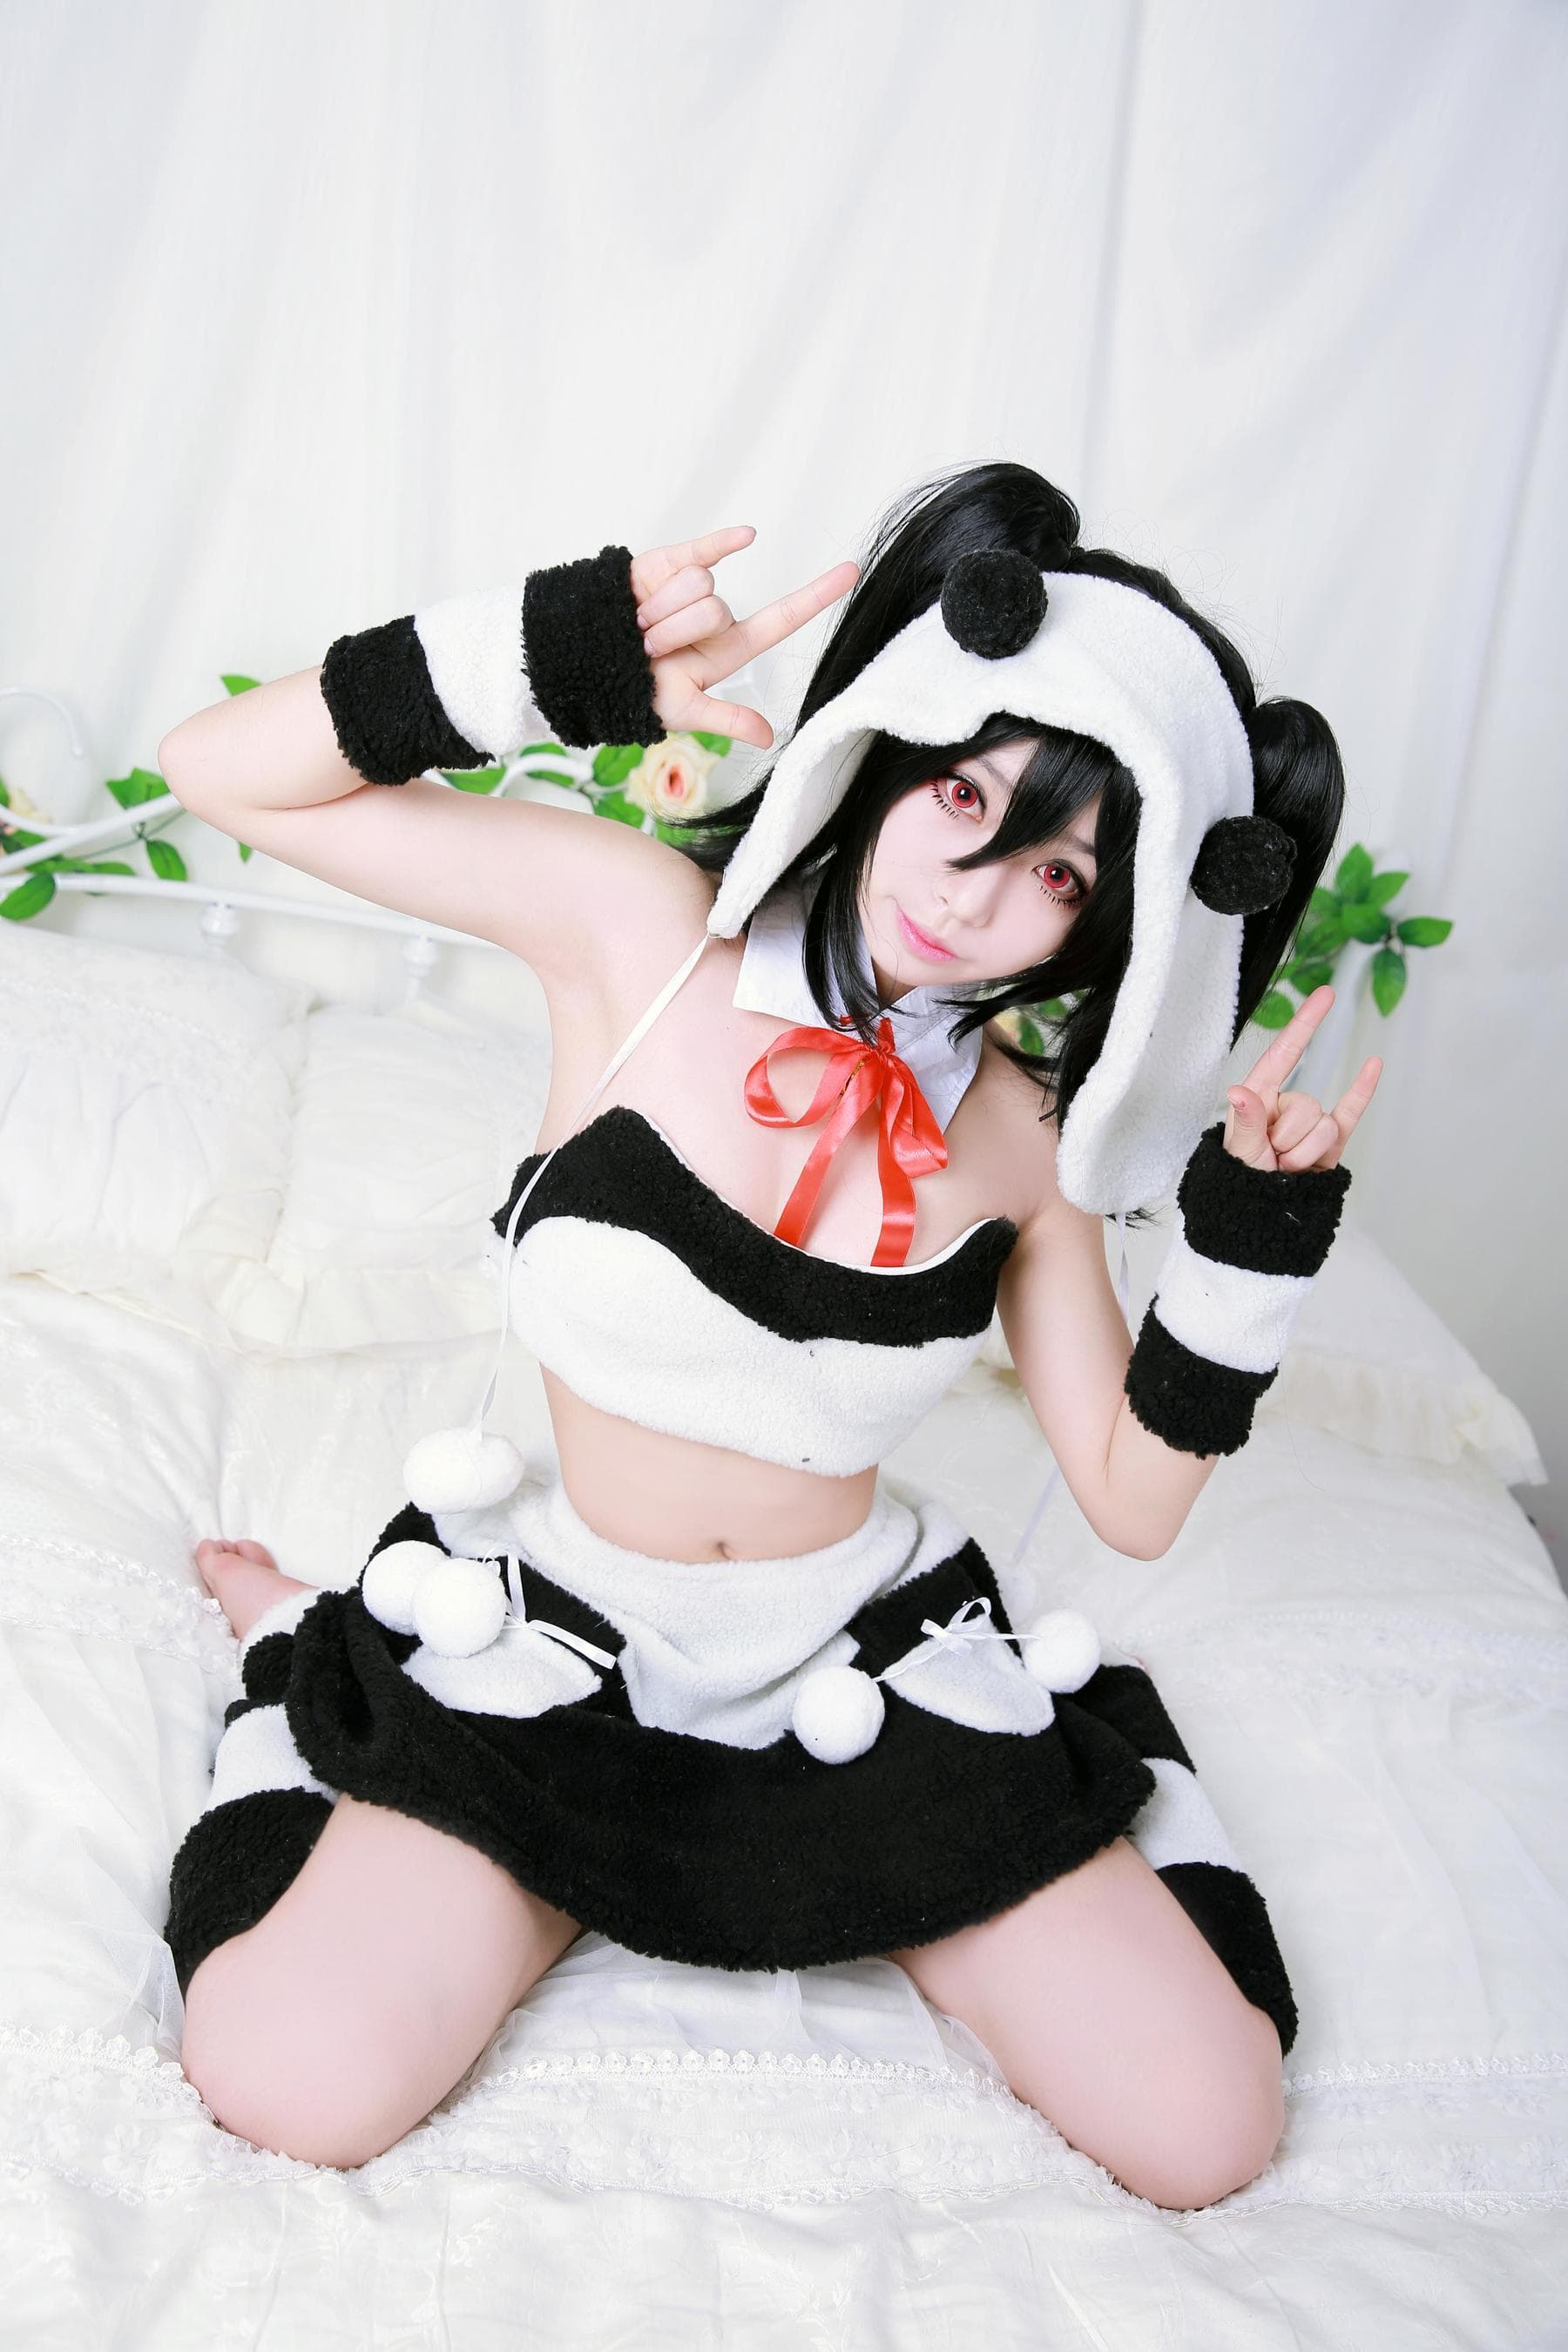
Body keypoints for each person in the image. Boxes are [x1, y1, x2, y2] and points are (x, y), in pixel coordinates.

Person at [156, 460, 1381, 2209]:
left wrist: (1254, 1243)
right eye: (960, 792)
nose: (970, 891)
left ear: (1100, 920)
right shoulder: (638, 933)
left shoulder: (1023, 1136)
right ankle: (315, 1649)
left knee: (1209, 2133)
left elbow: (1131, 1495)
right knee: (284, 2081)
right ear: (887, 749)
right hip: (561, 1638)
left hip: (859, 1668)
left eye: (1054, 869)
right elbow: (219, 769)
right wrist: (560, 652)